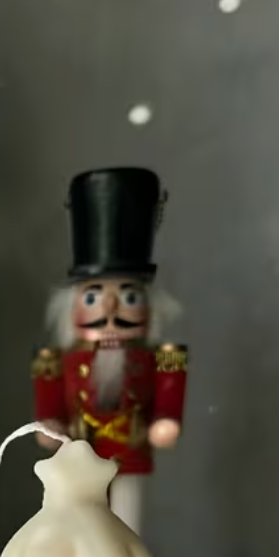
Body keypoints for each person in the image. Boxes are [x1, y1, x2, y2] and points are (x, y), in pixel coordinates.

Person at [32, 167, 187, 534]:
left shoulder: (159, 357)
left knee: (128, 519)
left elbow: (169, 390)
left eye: (129, 296)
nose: (111, 309)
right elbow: (50, 398)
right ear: (71, 308)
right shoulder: (59, 360)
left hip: (129, 450)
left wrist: (166, 419)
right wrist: (50, 422)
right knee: (80, 515)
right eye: (94, 296)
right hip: (81, 451)